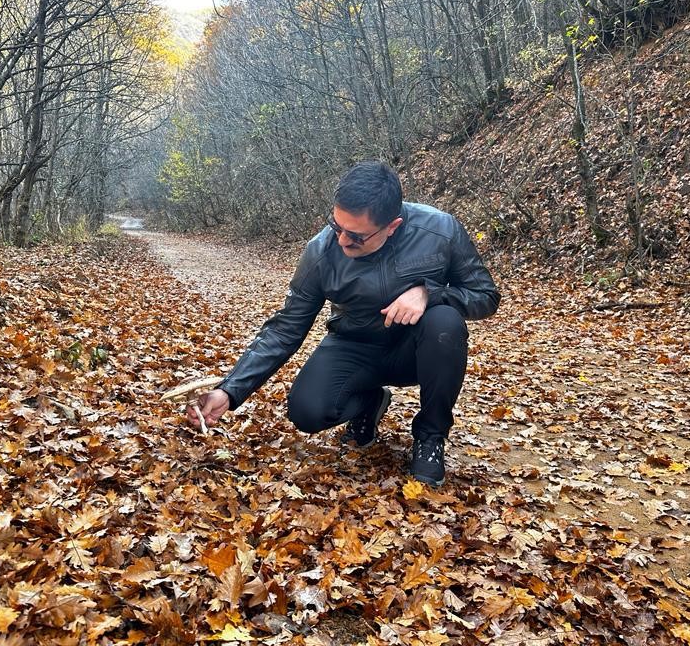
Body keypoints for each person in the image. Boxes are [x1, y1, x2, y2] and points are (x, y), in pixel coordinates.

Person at [187, 161, 500, 486]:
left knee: (445, 321)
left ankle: (431, 437)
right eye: (336, 226)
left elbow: (485, 296)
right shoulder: (320, 251)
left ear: (392, 226)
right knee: (306, 412)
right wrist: (230, 390)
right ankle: (370, 403)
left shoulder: (441, 231)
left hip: (417, 350)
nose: (342, 241)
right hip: (355, 346)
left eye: (356, 236)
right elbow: (285, 329)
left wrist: (428, 293)